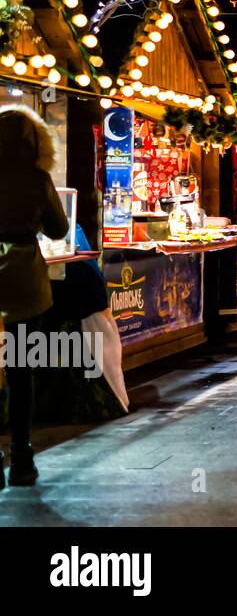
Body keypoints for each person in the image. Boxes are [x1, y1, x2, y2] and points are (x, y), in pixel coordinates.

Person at [0, 105, 71, 488]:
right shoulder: (38, 178)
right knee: (20, 370)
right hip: (25, 277)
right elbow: (59, 229)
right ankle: (22, 458)